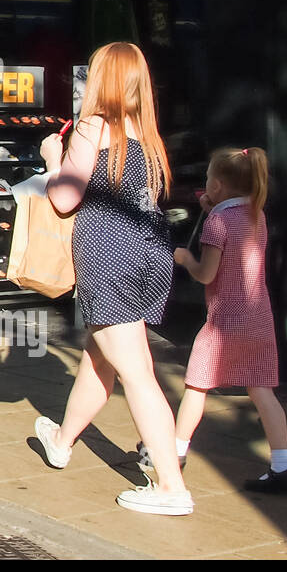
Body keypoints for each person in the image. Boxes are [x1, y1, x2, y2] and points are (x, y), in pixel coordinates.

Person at [32, 41, 192, 515]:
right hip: (149, 255)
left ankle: (170, 487)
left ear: (101, 79)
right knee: (100, 358)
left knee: (138, 373)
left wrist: (51, 159)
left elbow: (63, 199)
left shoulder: (93, 126)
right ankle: (61, 442)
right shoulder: (146, 132)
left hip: (108, 258)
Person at [165, 147, 287, 493]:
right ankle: (284, 465)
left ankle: (175, 452)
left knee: (197, 385)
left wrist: (184, 259)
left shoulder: (217, 221)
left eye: (209, 178)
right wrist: (213, 210)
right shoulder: (256, 214)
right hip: (258, 318)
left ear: (219, 185)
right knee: (262, 390)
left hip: (224, 322)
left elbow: (207, 274)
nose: (205, 183)